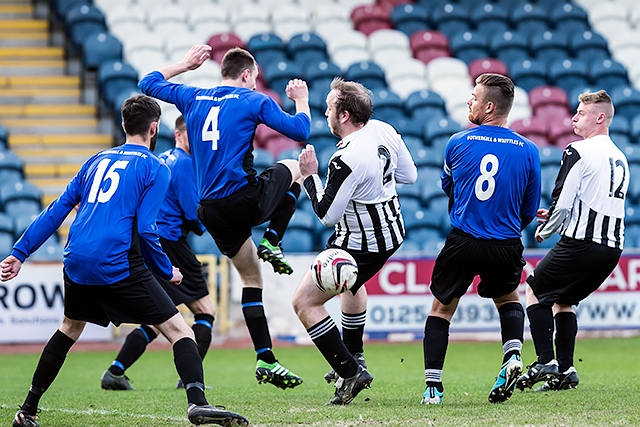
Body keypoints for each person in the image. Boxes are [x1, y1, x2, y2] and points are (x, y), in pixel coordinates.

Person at [4, 95, 248, 427]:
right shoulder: (154, 167)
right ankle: (197, 404)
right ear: (154, 128)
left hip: (76, 259)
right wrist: (167, 271)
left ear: (123, 125)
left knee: (70, 328)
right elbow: (148, 230)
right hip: (116, 262)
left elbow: (56, 210)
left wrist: (19, 253)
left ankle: (28, 410)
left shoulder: (95, 160)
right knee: (179, 330)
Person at [138, 44, 310, 389]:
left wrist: (185, 65)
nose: (254, 83)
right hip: (242, 199)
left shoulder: (194, 97)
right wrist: (301, 98)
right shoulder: (253, 99)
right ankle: (273, 240)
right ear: (246, 74)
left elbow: (148, 82)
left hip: (211, 210)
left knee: (252, 279)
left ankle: (266, 358)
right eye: (254, 78)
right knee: (296, 167)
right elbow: (300, 130)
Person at [292, 77, 418, 405]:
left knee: (304, 303)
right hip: (392, 232)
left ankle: (349, 372)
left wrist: (309, 176)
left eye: (330, 107)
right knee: (352, 284)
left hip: (360, 242)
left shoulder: (346, 158)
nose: (325, 112)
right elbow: (410, 176)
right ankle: (356, 357)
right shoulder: (383, 129)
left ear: (344, 115)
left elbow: (326, 214)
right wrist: (375, 183)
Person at [420, 73, 542, 405]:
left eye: (474, 97)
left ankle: (433, 389)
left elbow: (450, 187)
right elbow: (528, 211)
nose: (469, 102)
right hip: (505, 243)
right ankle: (513, 355)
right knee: (509, 299)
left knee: (441, 311)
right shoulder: (529, 150)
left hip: (464, 240)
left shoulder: (457, 142)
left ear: (489, 106)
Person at [516, 90, 628, 393]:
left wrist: (548, 228)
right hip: (611, 248)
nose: (574, 117)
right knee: (564, 301)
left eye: (581, 112)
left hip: (581, 242)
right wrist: (556, 214)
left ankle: (545, 361)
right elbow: (592, 200)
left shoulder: (577, 150)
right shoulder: (620, 156)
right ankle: (566, 371)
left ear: (600, 117)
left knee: (535, 289)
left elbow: (564, 201)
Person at [100, 115, 218, 391]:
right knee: (205, 311)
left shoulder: (162, 158)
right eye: (193, 135)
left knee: (158, 318)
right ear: (178, 134)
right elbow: (192, 211)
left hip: (148, 240)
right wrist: (211, 225)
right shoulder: (185, 163)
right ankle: (191, 380)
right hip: (171, 242)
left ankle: (116, 371)